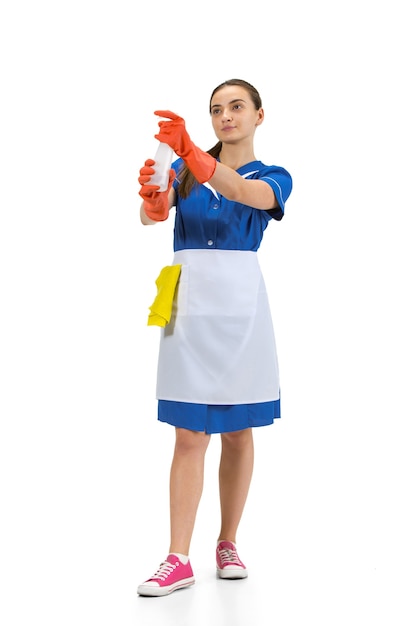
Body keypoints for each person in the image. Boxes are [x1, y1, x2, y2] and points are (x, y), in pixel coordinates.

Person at [136, 79, 292, 597]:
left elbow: (244, 193)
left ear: (258, 116)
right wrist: (155, 199)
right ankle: (178, 557)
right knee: (188, 433)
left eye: (236, 107)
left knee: (239, 429)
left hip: (241, 311)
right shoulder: (182, 167)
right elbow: (149, 214)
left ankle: (227, 542)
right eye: (216, 110)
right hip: (188, 307)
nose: (225, 116)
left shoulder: (275, 176)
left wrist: (192, 159)